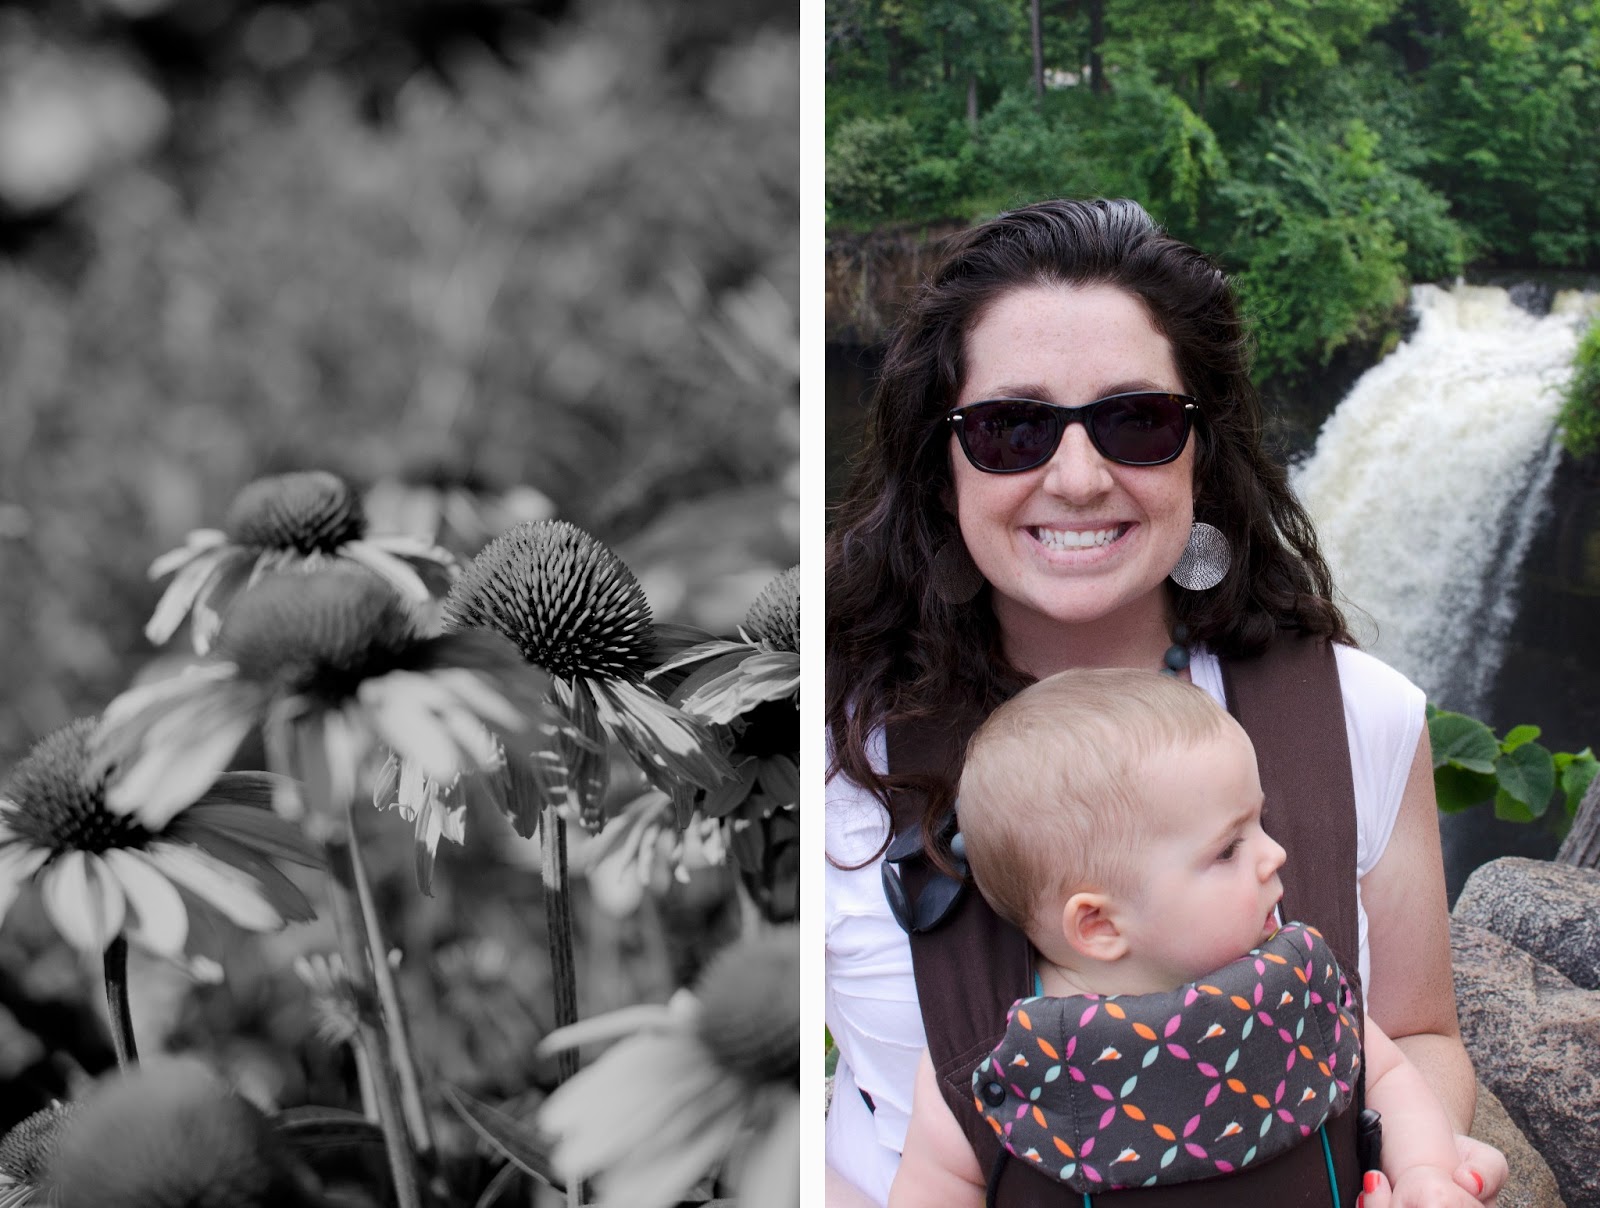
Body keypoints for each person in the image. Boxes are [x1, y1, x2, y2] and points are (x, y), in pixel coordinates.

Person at [824, 197, 1507, 1207]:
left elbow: (1413, 1037)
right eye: (1011, 428)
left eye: (1133, 420)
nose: (1077, 475)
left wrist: (1427, 1167)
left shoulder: (1360, 714)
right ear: (942, 465)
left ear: (1200, 444)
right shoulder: (830, 739)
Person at [889, 668, 1483, 1208]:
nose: (1275, 855)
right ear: (1099, 925)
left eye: (1261, 823)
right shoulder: (1001, 1060)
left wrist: (1426, 1171)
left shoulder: (1299, 980)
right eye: (1228, 849)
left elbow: (1390, 1079)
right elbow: (934, 1187)